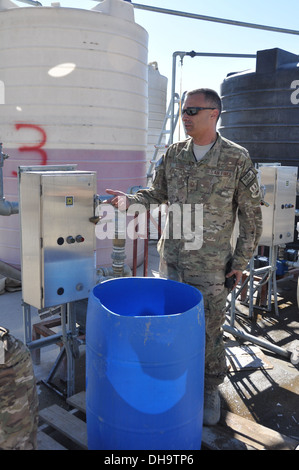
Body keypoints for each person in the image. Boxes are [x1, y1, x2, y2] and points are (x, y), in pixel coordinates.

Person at [106, 88, 263, 426]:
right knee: (172, 325)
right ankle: (178, 378)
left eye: (192, 110)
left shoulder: (236, 159)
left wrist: (239, 264)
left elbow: (252, 218)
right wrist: (130, 201)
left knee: (209, 330)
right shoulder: (174, 153)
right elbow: (157, 193)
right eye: (182, 110)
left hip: (211, 267)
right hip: (172, 260)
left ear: (213, 114)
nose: (185, 116)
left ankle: (209, 389)